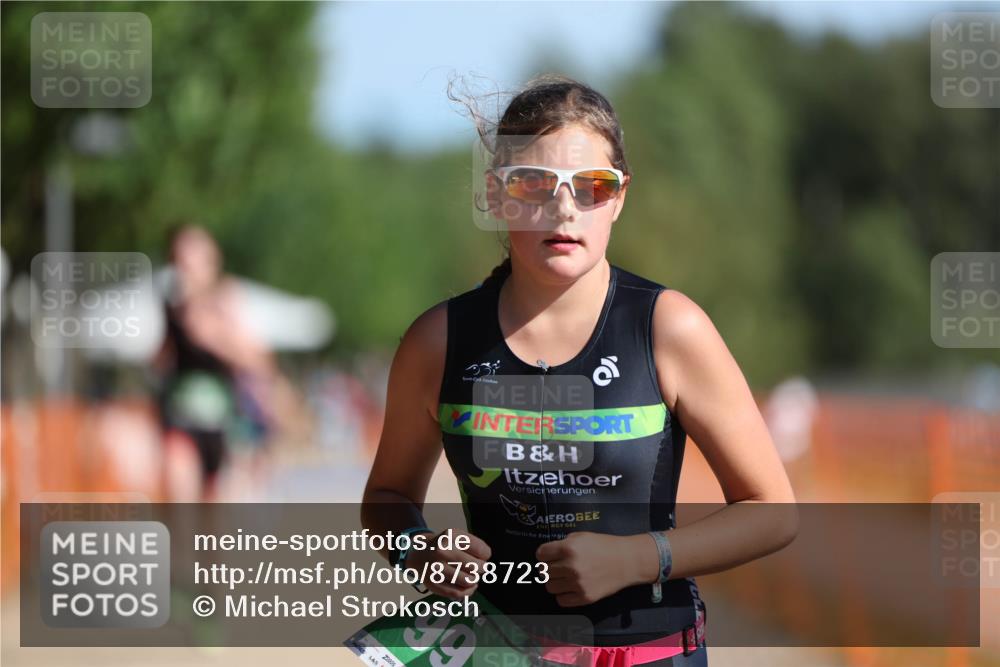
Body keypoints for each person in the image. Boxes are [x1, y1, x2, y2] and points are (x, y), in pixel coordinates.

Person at [362, 74, 798, 666]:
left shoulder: (670, 328)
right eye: (533, 183)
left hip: (649, 650)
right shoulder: (438, 341)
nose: (564, 208)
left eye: (592, 186)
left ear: (619, 197)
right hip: (498, 649)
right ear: (495, 195)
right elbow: (387, 497)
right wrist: (419, 551)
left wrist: (637, 559)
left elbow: (772, 512)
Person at [154, 224, 284, 501]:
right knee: (182, 501)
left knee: (215, 519)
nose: (186, 269)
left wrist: (215, 337)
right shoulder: (169, 305)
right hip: (181, 415)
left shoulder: (227, 298)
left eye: (193, 260)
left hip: (224, 419)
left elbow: (261, 360)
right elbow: (161, 359)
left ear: (212, 261)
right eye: (179, 261)